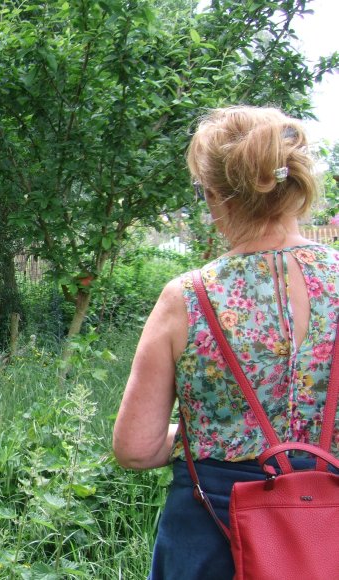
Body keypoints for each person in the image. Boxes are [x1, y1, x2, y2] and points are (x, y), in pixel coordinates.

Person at [112, 106, 339, 578]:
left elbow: (136, 447)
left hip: (214, 538)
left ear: (216, 195)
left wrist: (211, 435)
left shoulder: (188, 297)